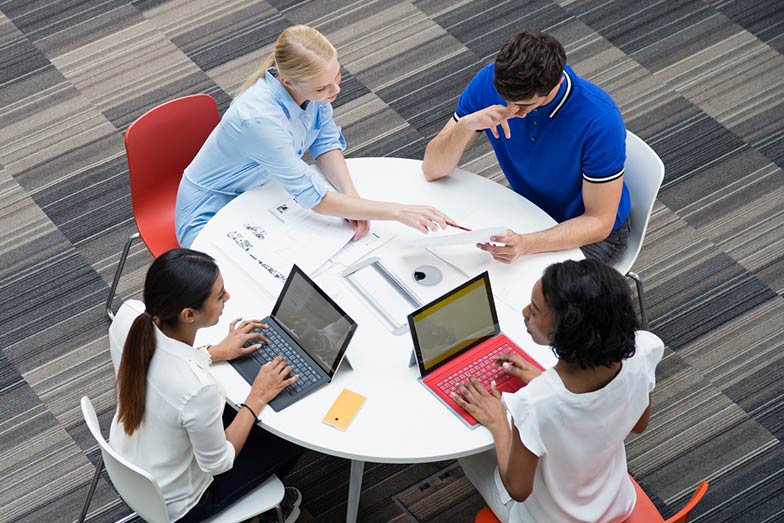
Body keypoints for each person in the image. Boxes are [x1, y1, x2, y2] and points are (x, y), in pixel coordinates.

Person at [175, 25, 451, 248]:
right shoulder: (259, 120)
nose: (334, 91)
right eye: (322, 88)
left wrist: (354, 200)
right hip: (212, 214)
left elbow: (324, 142)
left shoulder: (312, 91)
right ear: (287, 81)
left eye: (338, 77)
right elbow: (315, 199)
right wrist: (397, 212)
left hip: (259, 194)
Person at [454, 259, 663, 522]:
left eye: (535, 310)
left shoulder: (533, 403)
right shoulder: (645, 350)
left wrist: (498, 423)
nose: (524, 312)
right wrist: (546, 382)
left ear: (566, 331)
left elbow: (518, 489)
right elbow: (639, 424)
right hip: (616, 504)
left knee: (469, 453)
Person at [109, 249, 304, 523]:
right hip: (184, 504)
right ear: (189, 314)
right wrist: (256, 397)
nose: (228, 298)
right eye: (219, 295)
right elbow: (219, 462)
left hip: (128, 460)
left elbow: (165, 368)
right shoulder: (200, 389)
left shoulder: (129, 317)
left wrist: (214, 352)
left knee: (236, 419)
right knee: (291, 438)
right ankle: (258, 513)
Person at [422, 32, 631, 265]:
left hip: (590, 234)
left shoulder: (600, 121)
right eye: (506, 100)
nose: (511, 111)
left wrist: (526, 244)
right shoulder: (487, 82)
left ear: (557, 83)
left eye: (523, 105)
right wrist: (466, 125)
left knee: (531, 295)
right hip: (527, 210)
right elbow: (432, 169)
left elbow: (599, 222)